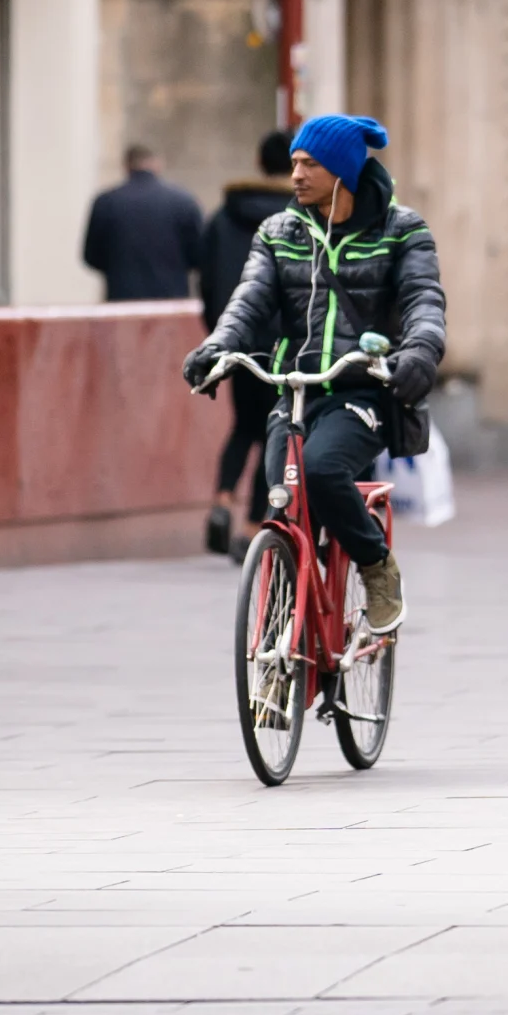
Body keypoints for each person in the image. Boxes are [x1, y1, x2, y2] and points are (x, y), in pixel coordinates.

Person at [184, 113, 445, 635]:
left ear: (343, 172)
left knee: (323, 470)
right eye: (295, 163)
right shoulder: (279, 231)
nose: (296, 174)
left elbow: (424, 301)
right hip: (295, 389)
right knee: (282, 501)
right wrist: (217, 346)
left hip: (363, 392)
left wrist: (418, 352)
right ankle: (285, 643)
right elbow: (249, 300)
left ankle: (375, 565)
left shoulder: (403, 230)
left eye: (310, 164)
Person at [200, 133, 294, 557]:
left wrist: (219, 334)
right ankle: (254, 523)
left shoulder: (224, 215)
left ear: (258, 160)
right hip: (284, 344)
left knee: (243, 427)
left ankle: (221, 498)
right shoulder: (300, 216)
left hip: (238, 341)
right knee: (274, 430)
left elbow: (205, 280)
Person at [81, 142, 207, 304]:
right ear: (158, 163)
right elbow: (199, 255)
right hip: (171, 300)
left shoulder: (105, 202)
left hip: (121, 300)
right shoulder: (184, 201)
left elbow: (91, 256)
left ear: (126, 165)